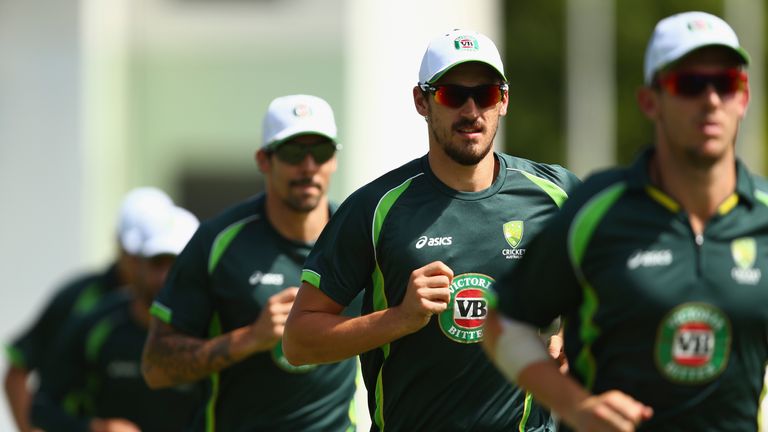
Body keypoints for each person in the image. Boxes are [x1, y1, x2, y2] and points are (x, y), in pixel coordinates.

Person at [283, 29, 580, 431]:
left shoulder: (556, 193)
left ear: (504, 101)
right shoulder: (376, 208)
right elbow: (298, 342)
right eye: (453, 94)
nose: (472, 110)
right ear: (422, 101)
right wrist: (399, 318)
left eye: (487, 94)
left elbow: (613, 286)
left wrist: (568, 329)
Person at [483, 11, 766, 432]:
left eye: (725, 84)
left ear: (742, 98)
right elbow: (501, 322)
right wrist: (575, 406)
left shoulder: (763, 214)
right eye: (688, 85)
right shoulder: (598, 211)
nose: (710, 100)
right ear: (650, 101)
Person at [141, 94, 358, 431]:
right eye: (292, 152)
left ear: (335, 161)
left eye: (321, 152)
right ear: (263, 160)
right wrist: (251, 338)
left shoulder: (358, 237)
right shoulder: (218, 241)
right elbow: (156, 366)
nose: (308, 166)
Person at [3, 187, 175, 432]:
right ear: (118, 245)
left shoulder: (185, 307)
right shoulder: (80, 298)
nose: (140, 265)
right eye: (133, 254)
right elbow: (19, 369)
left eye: (159, 258)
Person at [30, 204, 202, 432]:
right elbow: (42, 408)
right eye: (157, 263)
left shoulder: (211, 330)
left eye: (177, 265)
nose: (165, 277)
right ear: (135, 263)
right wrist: (97, 428)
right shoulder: (96, 323)